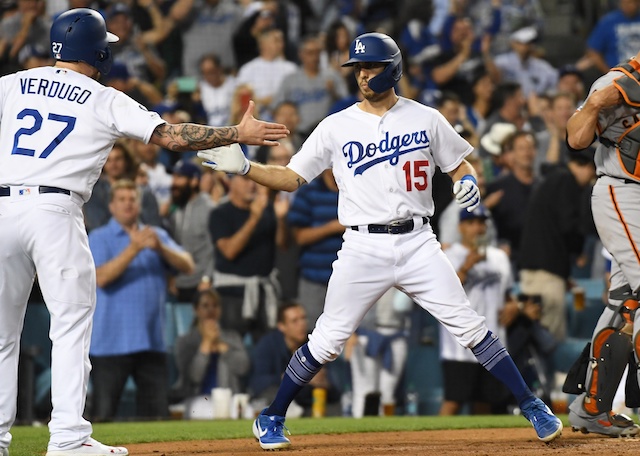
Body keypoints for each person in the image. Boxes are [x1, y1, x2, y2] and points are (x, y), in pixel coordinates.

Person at [199, 32, 562, 450]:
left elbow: (460, 163)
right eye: (357, 68)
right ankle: (272, 416)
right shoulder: (335, 125)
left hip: (417, 241)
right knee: (328, 339)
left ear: (392, 69)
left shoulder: (426, 117)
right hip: (362, 246)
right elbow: (291, 178)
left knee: (470, 323)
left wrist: (468, 182)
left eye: (369, 66)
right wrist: (247, 169)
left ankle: (532, 405)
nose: (362, 75)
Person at [0, 8, 287, 456]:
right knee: (71, 326)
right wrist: (237, 131)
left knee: (2, 337)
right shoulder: (102, 97)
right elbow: (172, 137)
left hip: (2, 208)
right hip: (54, 209)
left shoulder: (13, 83)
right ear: (95, 49)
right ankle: (68, 439)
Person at [564, 45, 640, 436]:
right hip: (622, 192)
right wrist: (595, 102)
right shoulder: (613, 82)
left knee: (627, 304)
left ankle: (592, 407)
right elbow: (576, 139)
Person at [88, 179, 195, 421]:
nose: (128, 204)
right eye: (122, 200)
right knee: (103, 415)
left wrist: (161, 249)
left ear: (139, 205)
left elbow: (188, 265)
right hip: (110, 342)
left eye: (132, 199)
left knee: (157, 417)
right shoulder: (99, 237)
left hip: (151, 339)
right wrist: (133, 249)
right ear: (111, 206)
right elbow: (101, 278)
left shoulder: (154, 235)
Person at [439, 205, 512, 416]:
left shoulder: (499, 257)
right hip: (458, 347)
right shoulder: (448, 256)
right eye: (471, 223)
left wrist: (514, 307)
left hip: (494, 342)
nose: (477, 228)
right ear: (461, 227)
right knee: (453, 402)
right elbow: (441, 296)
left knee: (485, 404)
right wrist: (465, 267)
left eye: (481, 223)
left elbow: (507, 295)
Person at [248, 301, 340, 417]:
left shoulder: (314, 343)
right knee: (273, 394)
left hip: (310, 402)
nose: (302, 324)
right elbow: (257, 382)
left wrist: (325, 382)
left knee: (333, 404)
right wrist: (296, 375)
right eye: (294, 321)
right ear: (281, 326)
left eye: (303, 318)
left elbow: (336, 389)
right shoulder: (267, 345)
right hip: (280, 402)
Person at [173, 289, 250, 419]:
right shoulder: (186, 341)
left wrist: (224, 349)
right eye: (205, 305)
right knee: (203, 411)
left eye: (215, 305)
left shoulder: (232, 337)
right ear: (196, 310)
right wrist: (206, 345)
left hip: (230, 396)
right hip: (199, 397)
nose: (211, 310)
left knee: (246, 412)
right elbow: (194, 377)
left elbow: (243, 368)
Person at [166, 159, 215, 303]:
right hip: (179, 285)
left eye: (179, 177)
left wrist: (208, 278)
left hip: (201, 285)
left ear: (194, 181)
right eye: (173, 177)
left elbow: (215, 248)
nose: (174, 183)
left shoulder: (209, 208)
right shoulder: (176, 210)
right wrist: (172, 276)